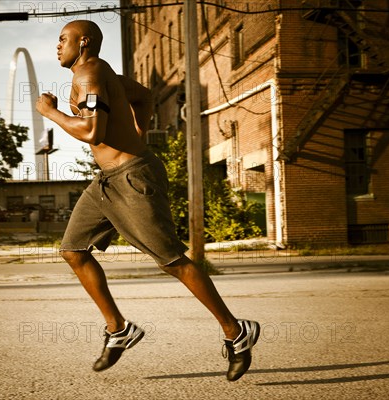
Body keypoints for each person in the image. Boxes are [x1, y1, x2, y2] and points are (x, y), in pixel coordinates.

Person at [36, 20, 259, 381]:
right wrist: (140, 129)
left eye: (63, 39)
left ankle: (236, 332)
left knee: (172, 260)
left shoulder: (89, 75)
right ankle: (119, 329)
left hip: (132, 177)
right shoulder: (101, 72)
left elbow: (92, 130)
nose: (57, 46)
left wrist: (49, 112)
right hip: (107, 181)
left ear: (84, 42)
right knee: (73, 250)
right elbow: (144, 95)